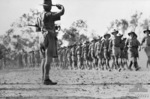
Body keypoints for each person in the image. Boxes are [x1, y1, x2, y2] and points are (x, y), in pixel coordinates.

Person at [35, 0, 65, 85]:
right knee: (48, 59)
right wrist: (61, 7)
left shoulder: (38, 16)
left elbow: (37, 29)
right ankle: (46, 79)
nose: (51, 7)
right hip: (49, 36)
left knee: (43, 59)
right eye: (51, 5)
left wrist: (49, 26)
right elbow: (61, 13)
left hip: (41, 37)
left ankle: (43, 77)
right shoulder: (49, 14)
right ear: (49, 6)